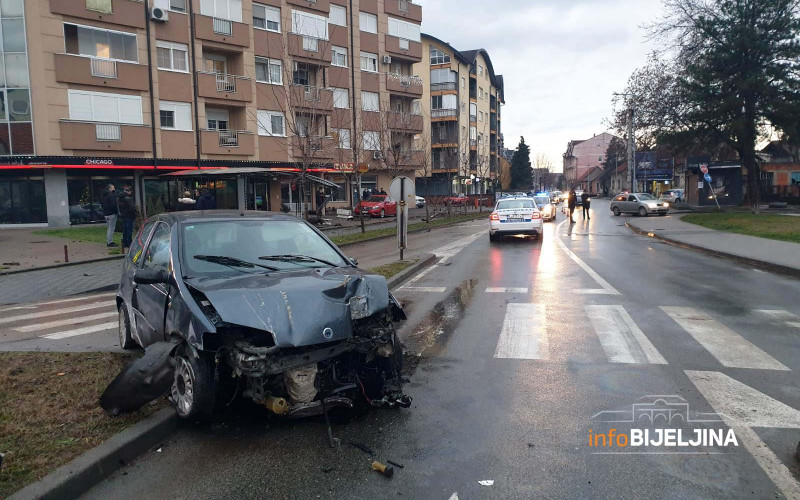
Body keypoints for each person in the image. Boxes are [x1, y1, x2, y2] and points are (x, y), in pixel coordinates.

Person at [117, 186, 137, 254]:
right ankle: (129, 243)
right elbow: (132, 208)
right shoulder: (128, 199)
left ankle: (125, 243)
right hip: (129, 216)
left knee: (125, 230)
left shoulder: (120, 199)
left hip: (123, 216)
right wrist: (134, 215)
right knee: (129, 230)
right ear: (129, 192)